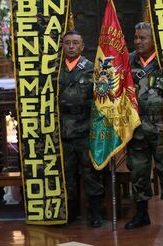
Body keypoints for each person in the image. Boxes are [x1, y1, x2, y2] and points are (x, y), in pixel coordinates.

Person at [59, 30, 104, 228]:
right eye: (67, 43)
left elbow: (100, 99)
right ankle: (72, 212)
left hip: (85, 128)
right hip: (63, 129)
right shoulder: (55, 68)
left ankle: (95, 213)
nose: (71, 46)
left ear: (82, 46)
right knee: (67, 174)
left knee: (90, 174)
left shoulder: (91, 69)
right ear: (62, 46)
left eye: (75, 43)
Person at [124, 22, 163, 229]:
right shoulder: (128, 60)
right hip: (137, 127)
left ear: (153, 40)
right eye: (136, 38)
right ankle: (141, 214)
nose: (138, 41)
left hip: (161, 128)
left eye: (143, 38)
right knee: (138, 171)